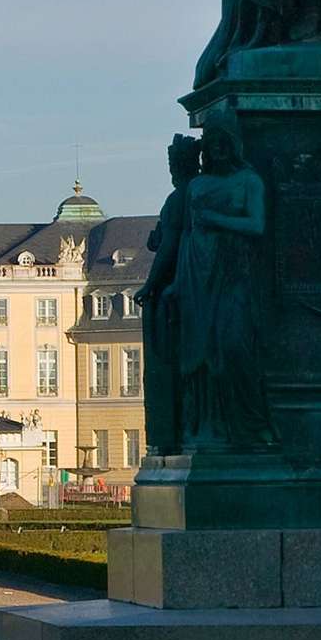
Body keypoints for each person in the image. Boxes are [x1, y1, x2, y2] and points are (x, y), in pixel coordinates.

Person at [177, 109, 274, 447]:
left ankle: (250, 423)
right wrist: (178, 281)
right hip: (198, 274)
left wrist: (216, 219)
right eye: (211, 143)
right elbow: (187, 234)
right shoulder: (197, 185)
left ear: (234, 145)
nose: (217, 148)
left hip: (235, 271)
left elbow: (257, 225)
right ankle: (211, 424)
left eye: (223, 142)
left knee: (234, 345)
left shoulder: (249, 181)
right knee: (201, 349)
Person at [134, 134, 204, 454]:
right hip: (196, 282)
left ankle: (170, 432)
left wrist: (150, 285)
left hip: (180, 290)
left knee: (167, 362)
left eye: (173, 163)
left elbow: (169, 246)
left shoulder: (180, 197)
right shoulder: (200, 192)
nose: (172, 169)